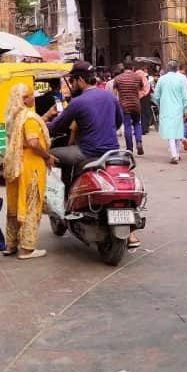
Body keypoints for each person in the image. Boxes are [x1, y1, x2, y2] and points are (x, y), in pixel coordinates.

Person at [47, 62, 140, 248]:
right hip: (113, 151)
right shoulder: (109, 96)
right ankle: (130, 232)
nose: (72, 84)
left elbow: (57, 126)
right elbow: (118, 121)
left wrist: (40, 122)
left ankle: (64, 203)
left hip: (87, 152)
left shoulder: (77, 102)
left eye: (73, 80)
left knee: (53, 155)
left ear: (80, 80)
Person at [4, 83, 55, 260]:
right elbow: (33, 142)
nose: (34, 98)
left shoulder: (14, 116)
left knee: (15, 206)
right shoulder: (30, 118)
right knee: (31, 205)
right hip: (30, 167)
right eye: (31, 95)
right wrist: (47, 156)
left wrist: (47, 116)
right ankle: (26, 248)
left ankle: (11, 244)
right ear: (24, 99)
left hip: (15, 166)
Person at [153, 60, 187, 164]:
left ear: (168, 68)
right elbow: (185, 97)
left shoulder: (162, 79)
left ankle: (174, 155)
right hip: (178, 109)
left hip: (166, 109)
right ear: (177, 68)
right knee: (177, 131)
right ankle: (176, 154)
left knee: (170, 133)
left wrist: (160, 103)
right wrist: (185, 109)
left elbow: (156, 96)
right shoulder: (182, 79)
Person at [113, 61, 145, 156]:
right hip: (135, 104)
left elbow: (114, 94)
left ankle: (129, 149)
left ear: (123, 67)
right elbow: (141, 89)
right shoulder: (137, 77)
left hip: (124, 105)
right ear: (133, 68)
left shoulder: (118, 78)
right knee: (137, 124)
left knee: (127, 126)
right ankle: (139, 142)